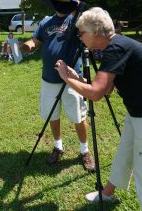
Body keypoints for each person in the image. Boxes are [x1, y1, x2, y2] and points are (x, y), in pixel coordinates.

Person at [55, 7, 142, 210]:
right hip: (138, 113)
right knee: (125, 153)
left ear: (95, 32)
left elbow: (96, 94)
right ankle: (107, 193)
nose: (80, 38)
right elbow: (106, 89)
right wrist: (75, 78)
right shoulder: (116, 45)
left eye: (81, 33)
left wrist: (65, 78)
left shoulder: (116, 48)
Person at [19, 9, 95, 172]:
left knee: (78, 116)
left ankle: (85, 151)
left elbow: (88, 36)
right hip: (49, 79)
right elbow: (35, 41)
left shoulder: (76, 20)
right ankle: (58, 146)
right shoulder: (46, 22)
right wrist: (26, 46)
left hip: (72, 79)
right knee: (52, 115)